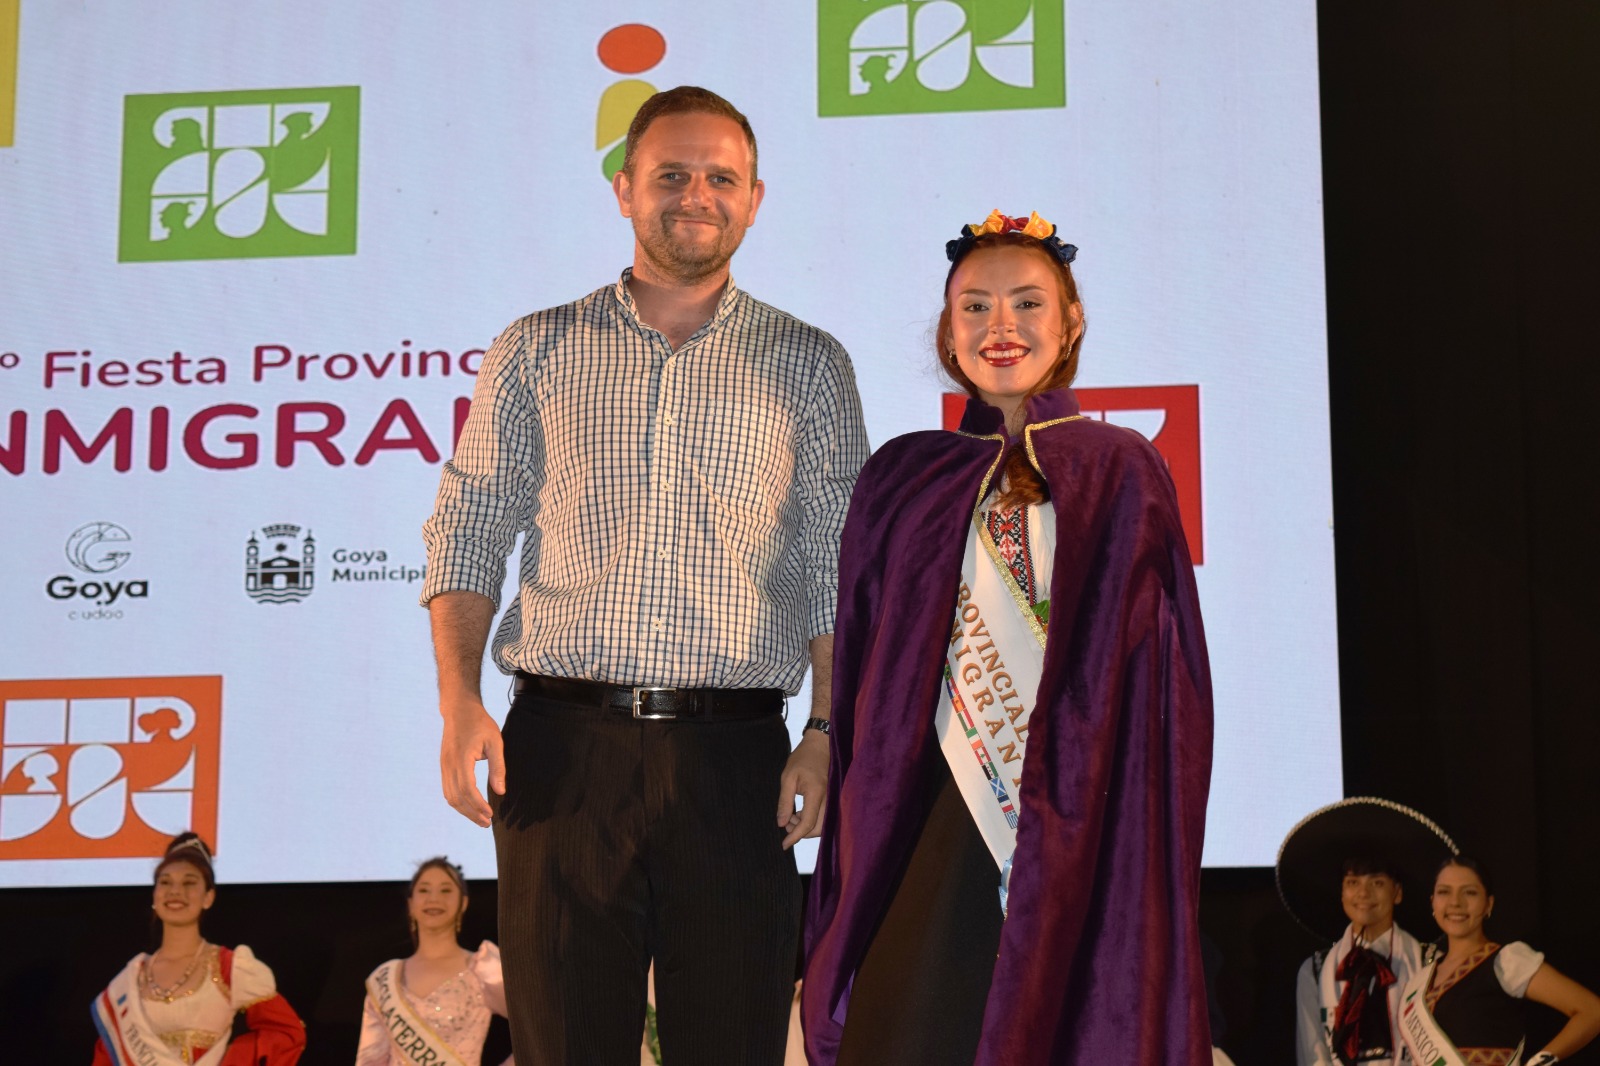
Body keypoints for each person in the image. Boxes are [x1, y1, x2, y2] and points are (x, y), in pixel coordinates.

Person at [421, 85, 870, 1066]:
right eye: (671, 175)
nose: (695, 195)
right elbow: (468, 525)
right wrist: (458, 700)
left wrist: (827, 729)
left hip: (738, 761)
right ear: (624, 189)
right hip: (559, 754)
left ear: (754, 199)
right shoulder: (536, 347)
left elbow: (835, 562)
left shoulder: (810, 364)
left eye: (720, 177)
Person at [801, 210, 1214, 1064]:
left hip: (1071, 810)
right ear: (947, 330)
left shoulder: (1121, 468)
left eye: (1028, 303)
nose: (1001, 326)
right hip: (927, 801)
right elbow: (872, 654)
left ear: (1071, 323)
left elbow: (1156, 674)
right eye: (976, 306)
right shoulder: (904, 475)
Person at [91, 832, 305, 1065]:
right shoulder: (128, 981)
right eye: (165, 882)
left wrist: (235, 1059)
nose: (175, 891)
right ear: (154, 895)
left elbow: (286, 1033)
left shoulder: (229, 967)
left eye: (189, 883)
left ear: (208, 897)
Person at [1277, 797, 1457, 1066]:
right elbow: (1312, 1056)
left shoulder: (1430, 964)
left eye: (1377, 883)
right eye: (1352, 883)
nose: (1363, 893)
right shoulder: (1315, 972)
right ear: (1341, 893)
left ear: (1397, 893)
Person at [1398, 857, 1600, 1066]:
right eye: (1444, 892)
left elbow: (1592, 1011)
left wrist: (1539, 1062)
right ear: (1433, 901)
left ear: (1489, 904)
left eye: (1470, 892)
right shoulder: (1423, 975)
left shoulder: (1506, 961)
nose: (1455, 902)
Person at [357, 858, 513, 1065]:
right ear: (411, 904)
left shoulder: (485, 967)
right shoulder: (385, 978)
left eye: (446, 890)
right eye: (424, 890)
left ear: (463, 903)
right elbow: (370, 1059)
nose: (434, 898)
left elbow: (538, 1021)